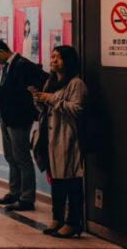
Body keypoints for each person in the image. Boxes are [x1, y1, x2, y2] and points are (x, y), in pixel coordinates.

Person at [0, 38, 46, 212]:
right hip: (7, 118)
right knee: (11, 157)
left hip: (18, 120)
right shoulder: (9, 66)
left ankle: (27, 198)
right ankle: (14, 191)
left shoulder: (22, 65)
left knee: (22, 158)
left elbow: (24, 94)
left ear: (1, 52)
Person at [31, 46, 86, 239]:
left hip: (67, 137)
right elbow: (44, 108)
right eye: (52, 56)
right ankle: (57, 218)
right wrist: (38, 99)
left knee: (71, 181)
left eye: (58, 57)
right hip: (49, 137)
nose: (53, 60)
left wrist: (51, 99)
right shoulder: (51, 81)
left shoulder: (76, 83)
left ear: (68, 61)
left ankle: (73, 222)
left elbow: (77, 108)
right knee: (56, 181)